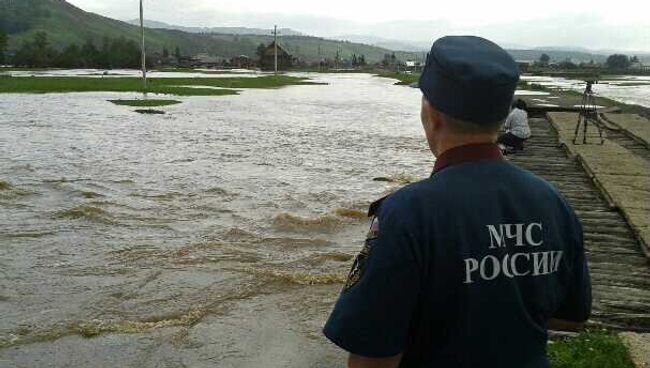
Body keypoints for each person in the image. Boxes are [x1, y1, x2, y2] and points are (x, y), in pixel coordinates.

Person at [323, 36, 591, 368]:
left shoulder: (407, 213)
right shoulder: (553, 202)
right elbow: (570, 318)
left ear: (430, 114)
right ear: (501, 116)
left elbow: (371, 359)